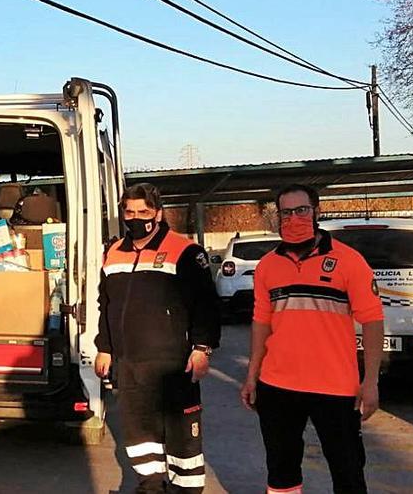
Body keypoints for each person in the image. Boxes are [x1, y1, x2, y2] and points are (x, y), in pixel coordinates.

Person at [240, 184, 384, 494]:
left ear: (316, 212)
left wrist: (370, 381)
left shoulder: (349, 261)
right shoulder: (267, 266)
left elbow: (372, 321)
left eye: (301, 210)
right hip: (277, 387)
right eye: (286, 212)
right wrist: (252, 376)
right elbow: (261, 323)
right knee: (281, 474)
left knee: (348, 474)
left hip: (335, 388)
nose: (294, 218)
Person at [94, 183, 220, 493]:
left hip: (173, 365)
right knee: (139, 436)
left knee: (181, 440)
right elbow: (105, 304)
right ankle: (149, 487)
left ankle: (186, 490)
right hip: (129, 364)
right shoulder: (113, 253)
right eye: (130, 212)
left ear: (158, 213)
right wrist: (105, 349)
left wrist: (202, 349)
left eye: (144, 212)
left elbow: (206, 305)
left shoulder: (186, 251)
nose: (136, 218)